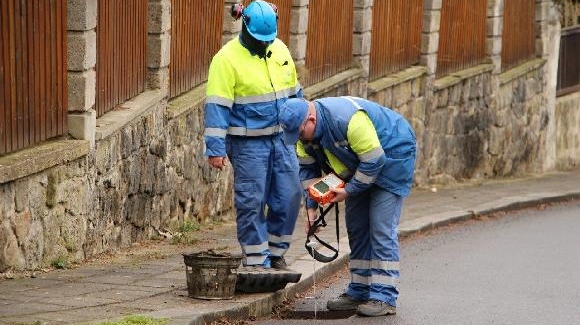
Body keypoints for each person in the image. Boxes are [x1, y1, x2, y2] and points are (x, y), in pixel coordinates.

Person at [279, 96, 417, 316]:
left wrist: (349, 190)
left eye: (300, 133)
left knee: (380, 228)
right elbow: (308, 172)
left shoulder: (348, 119)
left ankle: (384, 297)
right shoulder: (301, 133)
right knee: (357, 228)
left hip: (392, 158)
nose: (299, 139)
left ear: (311, 119)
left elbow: (374, 160)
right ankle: (359, 291)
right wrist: (311, 208)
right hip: (360, 166)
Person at [203, 0, 303, 270]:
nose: (264, 45)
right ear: (244, 26)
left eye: (268, 40)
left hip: (282, 140)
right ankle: (257, 262)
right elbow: (217, 107)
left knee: (290, 195)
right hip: (248, 145)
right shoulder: (226, 60)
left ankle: (276, 253)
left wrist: (304, 128)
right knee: (252, 201)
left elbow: (295, 94)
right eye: (260, 40)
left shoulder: (279, 49)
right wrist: (215, 148)